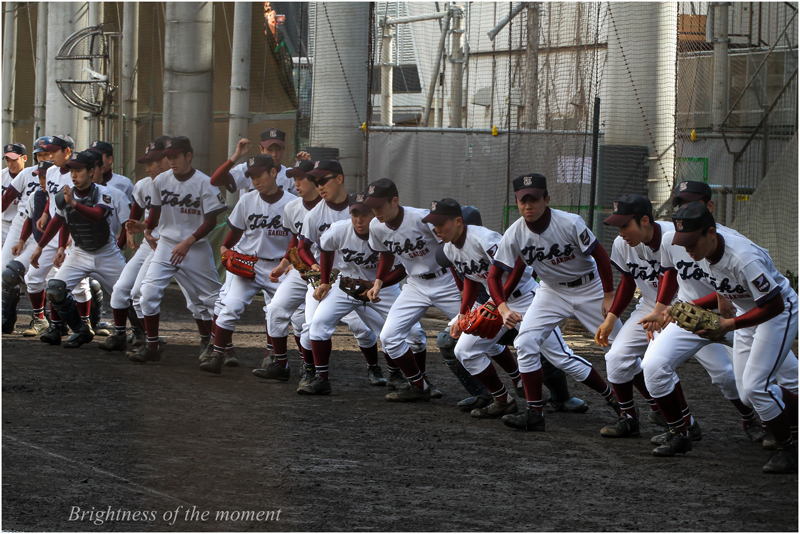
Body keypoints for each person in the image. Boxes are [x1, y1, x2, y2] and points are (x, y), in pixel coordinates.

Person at [655, 201, 797, 474]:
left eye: (692, 241)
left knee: (757, 386)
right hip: (749, 311)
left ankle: (786, 449)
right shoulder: (704, 253)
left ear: (711, 232)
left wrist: (729, 324)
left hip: (780, 313)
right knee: (747, 394)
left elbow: (774, 304)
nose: (687, 249)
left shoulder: (743, 256)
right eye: (683, 242)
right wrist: (711, 307)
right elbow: (723, 284)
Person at [490, 173, 622, 431]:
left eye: (534, 199)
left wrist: (608, 294)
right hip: (551, 292)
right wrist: (502, 306)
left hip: (589, 287)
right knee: (525, 342)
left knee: (620, 350)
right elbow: (495, 273)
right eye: (522, 200)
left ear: (546, 199)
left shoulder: (569, 222)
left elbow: (601, 255)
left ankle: (635, 406)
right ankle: (534, 413)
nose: (528, 205)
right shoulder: (514, 232)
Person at [130, 136, 227, 363]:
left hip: (196, 248)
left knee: (212, 299)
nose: (172, 161)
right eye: (169, 157)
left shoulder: (205, 182)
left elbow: (212, 221)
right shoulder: (160, 180)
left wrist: (189, 241)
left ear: (189, 156)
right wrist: (148, 229)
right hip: (166, 244)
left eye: (176, 156)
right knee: (147, 295)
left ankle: (217, 344)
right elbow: (155, 209)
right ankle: (152, 346)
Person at [364, 178, 461, 402]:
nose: (375, 210)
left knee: (478, 332)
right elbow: (386, 252)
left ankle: (514, 381)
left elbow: (450, 249)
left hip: (446, 280)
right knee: (389, 337)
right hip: (415, 285)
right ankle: (419, 385)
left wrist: (463, 286)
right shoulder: (376, 226)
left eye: (380, 205)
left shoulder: (421, 219)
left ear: (395, 201)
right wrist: (379, 279)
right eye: (372, 205)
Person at [197, 154, 296, 374]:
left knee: (276, 312)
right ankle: (217, 354)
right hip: (248, 264)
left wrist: (287, 262)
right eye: (251, 176)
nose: (255, 181)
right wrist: (224, 249)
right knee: (230, 305)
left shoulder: (291, 203)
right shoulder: (247, 200)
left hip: (279, 267)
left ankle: (273, 357)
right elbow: (235, 232)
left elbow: (295, 238)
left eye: (259, 175)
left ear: (273, 173)